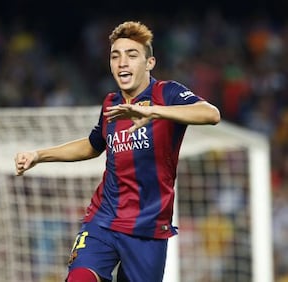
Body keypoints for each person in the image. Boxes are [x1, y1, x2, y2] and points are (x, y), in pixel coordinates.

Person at [14, 21, 221, 282]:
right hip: (104, 218)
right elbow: (92, 145)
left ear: (150, 63)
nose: (122, 62)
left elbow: (211, 114)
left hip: (148, 228)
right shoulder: (110, 104)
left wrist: (152, 111)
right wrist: (38, 155)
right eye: (115, 56)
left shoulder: (166, 93)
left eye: (132, 55)